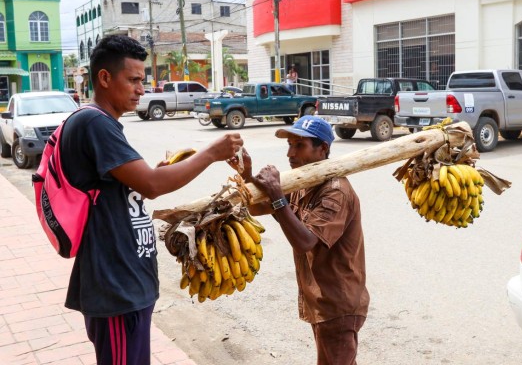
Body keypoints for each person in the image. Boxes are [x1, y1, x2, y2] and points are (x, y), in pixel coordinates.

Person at [60, 35, 243, 364]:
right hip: (115, 287)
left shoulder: (107, 125)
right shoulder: (93, 122)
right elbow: (152, 185)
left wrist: (151, 176)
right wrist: (212, 152)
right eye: (133, 80)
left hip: (127, 283)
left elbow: (137, 187)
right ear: (104, 78)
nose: (141, 90)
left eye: (141, 81)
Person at [230, 115, 370, 365]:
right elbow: (257, 207)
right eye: (289, 145)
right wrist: (247, 175)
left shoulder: (335, 191)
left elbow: (306, 241)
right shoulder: (302, 182)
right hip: (322, 301)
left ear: (322, 149)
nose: (290, 154)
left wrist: (277, 196)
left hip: (338, 304)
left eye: (299, 146)